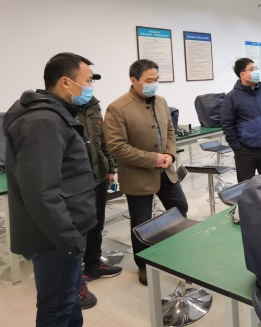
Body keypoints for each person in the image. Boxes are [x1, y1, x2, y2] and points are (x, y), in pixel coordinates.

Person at [3, 52, 98, 326]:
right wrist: (69, 241)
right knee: (56, 308)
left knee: (69, 300)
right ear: (66, 82)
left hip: (64, 231)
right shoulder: (43, 122)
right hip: (55, 238)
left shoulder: (56, 115)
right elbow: (41, 193)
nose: (90, 87)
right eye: (87, 81)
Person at [104, 59, 187, 286]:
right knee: (141, 222)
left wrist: (169, 154)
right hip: (138, 175)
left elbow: (170, 131)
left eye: (156, 79)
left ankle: (173, 250)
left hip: (166, 170)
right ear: (134, 80)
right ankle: (143, 264)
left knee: (180, 208)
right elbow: (116, 146)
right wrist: (152, 159)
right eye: (149, 80)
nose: (154, 84)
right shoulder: (118, 108)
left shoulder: (161, 101)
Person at [76, 89, 122, 309]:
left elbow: (102, 141)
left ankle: (93, 264)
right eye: (86, 80)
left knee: (97, 224)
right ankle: (75, 282)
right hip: (77, 180)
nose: (89, 86)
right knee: (78, 230)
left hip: (99, 176)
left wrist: (110, 167)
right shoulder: (62, 111)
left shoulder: (94, 107)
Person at [221, 58, 261, 182]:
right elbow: (227, 124)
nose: (256, 71)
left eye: (256, 68)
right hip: (245, 151)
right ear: (242, 74)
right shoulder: (231, 97)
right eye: (252, 69)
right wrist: (238, 148)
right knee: (246, 187)